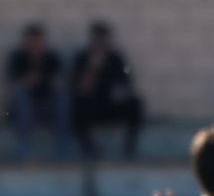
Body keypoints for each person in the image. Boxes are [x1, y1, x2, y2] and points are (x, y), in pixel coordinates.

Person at [69, 21, 143, 159]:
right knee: (76, 106)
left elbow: (126, 80)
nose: (101, 43)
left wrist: (125, 93)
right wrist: (93, 67)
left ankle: (129, 147)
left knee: (136, 103)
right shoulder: (82, 58)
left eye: (104, 39)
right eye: (98, 40)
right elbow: (81, 89)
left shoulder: (116, 58)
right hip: (92, 106)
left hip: (111, 104)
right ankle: (89, 149)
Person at [5, 24, 70, 160]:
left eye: (37, 41)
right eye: (31, 41)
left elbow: (59, 81)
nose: (34, 45)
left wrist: (46, 80)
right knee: (23, 96)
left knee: (62, 96)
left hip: (47, 106)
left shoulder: (51, 58)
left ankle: (62, 143)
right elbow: (13, 83)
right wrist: (26, 81)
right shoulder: (18, 58)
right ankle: (24, 145)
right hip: (24, 108)